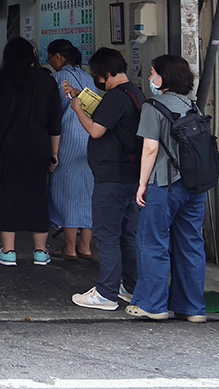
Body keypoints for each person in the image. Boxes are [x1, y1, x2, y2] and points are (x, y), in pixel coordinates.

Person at [127, 54, 207, 322]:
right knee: (191, 244)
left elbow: (150, 149)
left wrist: (141, 185)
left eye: (153, 72)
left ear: (164, 77)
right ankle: (192, 308)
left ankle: (153, 305)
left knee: (152, 242)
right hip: (195, 186)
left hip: (164, 184)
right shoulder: (193, 107)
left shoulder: (154, 106)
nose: (150, 78)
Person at [64, 47, 144, 312]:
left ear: (107, 73)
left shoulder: (115, 97)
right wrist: (83, 95)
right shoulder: (134, 93)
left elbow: (96, 130)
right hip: (131, 176)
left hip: (112, 178)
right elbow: (112, 115)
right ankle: (129, 288)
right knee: (127, 236)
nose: (98, 80)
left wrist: (77, 108)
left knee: (107, 235)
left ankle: (106, 293)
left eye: (99, 76)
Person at [0, 38, 62, 267]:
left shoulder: (1, 79)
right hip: (37, 146)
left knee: (5, 194)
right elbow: (55, 122)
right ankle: (40, 252)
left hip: (4, 147)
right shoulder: (47, 81)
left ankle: (8, 251)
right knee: (36, 194)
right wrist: (54, 153)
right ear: (32, 56)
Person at [46, 40, 96, 261]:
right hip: (91, 140)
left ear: (59, 56)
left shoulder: (55, 79)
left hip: (65, 141)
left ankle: (69, 248)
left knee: (66, 194)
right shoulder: (90, 79)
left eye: (50, 57)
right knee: (87, 193)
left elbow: (50, 115)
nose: (49, 61)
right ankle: (85, 246)